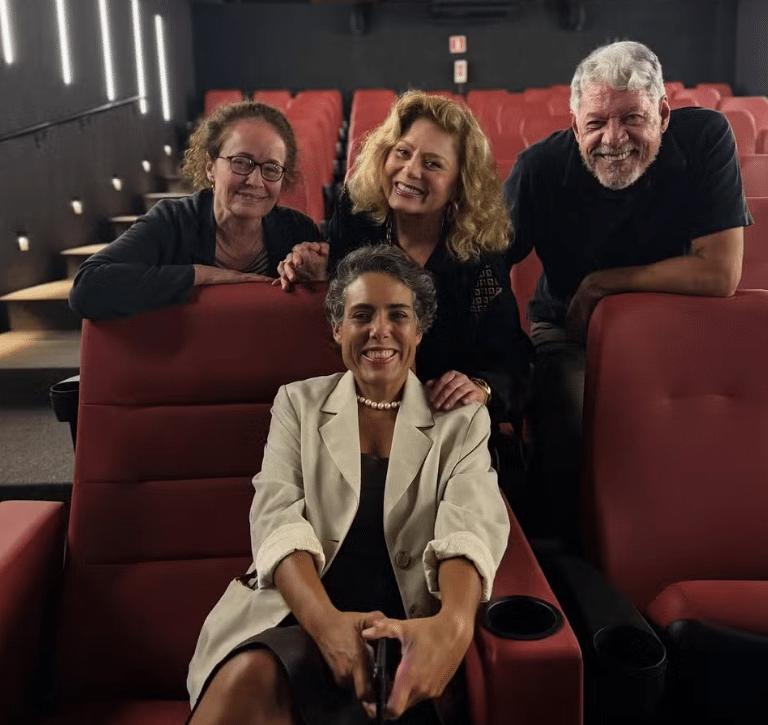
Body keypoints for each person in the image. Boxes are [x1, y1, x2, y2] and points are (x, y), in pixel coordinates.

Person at [186, 245, 510, 725]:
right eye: (362, 315)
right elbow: (276, 521)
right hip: (301, 618)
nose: (379, 331)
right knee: (249, 679)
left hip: (407, 622)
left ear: (419, 330)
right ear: (337, 328)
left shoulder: (460, 421)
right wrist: (326, 626)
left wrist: (453, 626)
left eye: (398, 315)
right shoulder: (297, 404)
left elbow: (470, 526)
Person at [504, 40, 752, 545]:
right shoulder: (540, 170)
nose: (613, 139)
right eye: (595, 123)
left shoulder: (706, 138)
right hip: (570, 333)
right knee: (567, 427)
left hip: (682, 328)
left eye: (632, 118)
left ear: (662, 113)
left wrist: (602, 286)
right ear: (575, 126)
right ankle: (571, 562)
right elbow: (480, 267)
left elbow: (721, 274)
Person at [277, 90, 532, 427]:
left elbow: (513, 364)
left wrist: (480, 388)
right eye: (403, 152)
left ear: (459, 184)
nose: (410, 171)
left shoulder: (479, 255)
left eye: (432, 163)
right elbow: (338, 292)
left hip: (444, 420)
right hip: (361, 412)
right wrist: (314, 266)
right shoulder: (356, 218)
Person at [69, 101, 320, 320]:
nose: (255, 181)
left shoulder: (298, 230)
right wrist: (203, 276)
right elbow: (87, 288)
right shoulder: (172, 221)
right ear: (211, 167)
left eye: (271, 168)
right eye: (241, 162)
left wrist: (320, 276)